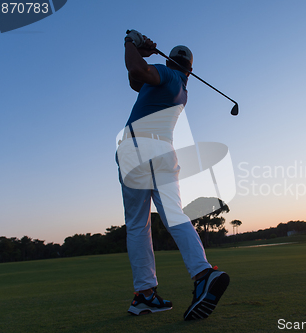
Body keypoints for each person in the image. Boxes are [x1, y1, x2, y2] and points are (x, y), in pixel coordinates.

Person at [117, 29, 229, 320]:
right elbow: (136, 79)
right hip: (162, 152)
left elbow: (135, 69)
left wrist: (130, 42)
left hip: (138, 149)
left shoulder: (166, 76)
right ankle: (196, 276)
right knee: (174, 214)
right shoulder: (180, 89)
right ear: (190, 69)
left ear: (171, 63)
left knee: (138, 225)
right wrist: (143, 52)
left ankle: (148, 291)